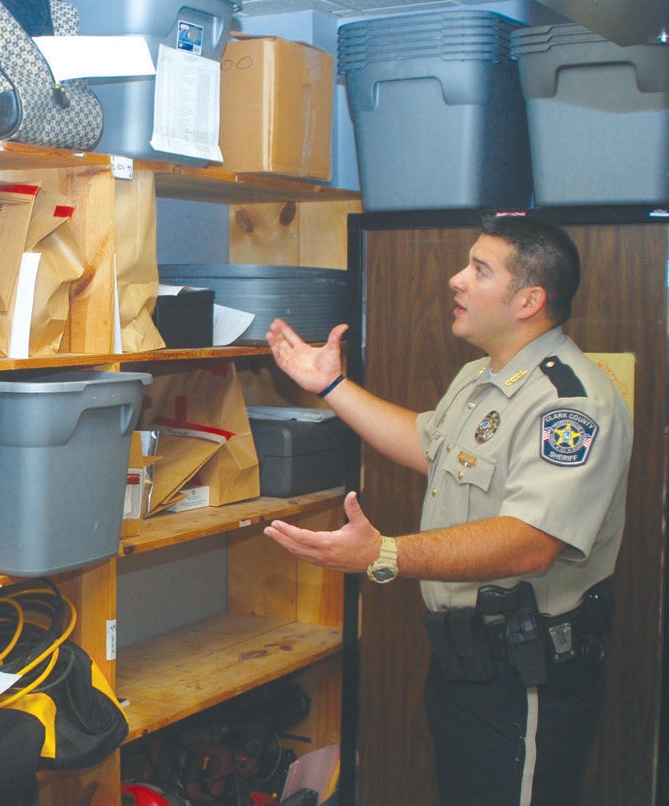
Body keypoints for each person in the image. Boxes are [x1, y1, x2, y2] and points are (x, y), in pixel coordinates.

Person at [262, 212, 633, 806]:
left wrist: (383, 553)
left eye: (479, 270)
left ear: (529, 299)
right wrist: (330, 387)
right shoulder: (478, 377)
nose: (456, 280)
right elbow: (430, 446)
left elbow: (531, 542)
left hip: (525, 674)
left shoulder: (573, 405)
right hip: (464, 665)